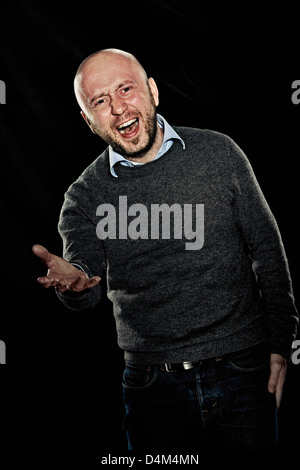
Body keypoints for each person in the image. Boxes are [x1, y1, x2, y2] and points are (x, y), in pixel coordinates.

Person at [33, 48, 298, 450]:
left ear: (153, 91)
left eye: (126, 89)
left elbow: (266, 247)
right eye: (100, 101)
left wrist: (281, 340)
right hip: (153, 389)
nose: (119, 108)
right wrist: (77, 286)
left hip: (244, 368)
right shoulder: (84, 197)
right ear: (88, 121)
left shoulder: (219, 153)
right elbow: (85, 279)